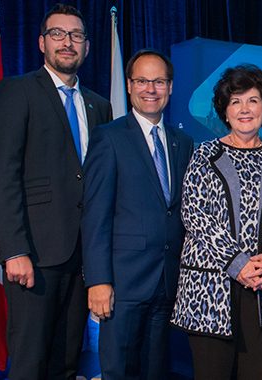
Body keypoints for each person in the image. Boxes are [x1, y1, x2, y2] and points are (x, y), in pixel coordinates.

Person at [0, 4, 112, 379]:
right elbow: (3, 177)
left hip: (82, 260)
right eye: (58, 34)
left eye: (76, 35)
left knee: (67, 361)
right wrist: (15, 250)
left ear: (87, 47)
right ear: (42, 43)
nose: (67, 42)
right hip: (35, 257)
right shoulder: (17, 91)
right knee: (30, 362)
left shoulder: (99, 106)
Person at [171, 64, 262, 380]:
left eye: (253, 100)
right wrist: (238, 264)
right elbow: (196, 215)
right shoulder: (204, 156)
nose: (245, 109)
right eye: (236, 101)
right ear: (225, 111)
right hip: (210, 291)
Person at [81, 49, 194, 379]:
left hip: (166, 282)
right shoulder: (109, 137)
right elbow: (95, 215)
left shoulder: (182, 142)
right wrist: (99, 280)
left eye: (159, 81)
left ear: (170, 87)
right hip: (123, 284)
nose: (151, 89)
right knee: (120, 371)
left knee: (155, 371)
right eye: (142, 81)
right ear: (129, 86)